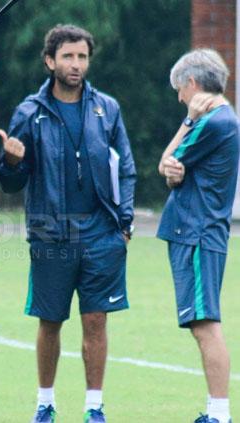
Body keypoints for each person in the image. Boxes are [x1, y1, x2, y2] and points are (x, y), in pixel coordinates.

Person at [0, 24, 136, 423]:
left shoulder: (106, 109)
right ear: (49, 61)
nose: (76, 65)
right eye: (68, 57)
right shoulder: (29, 112)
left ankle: (94, 406)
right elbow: (11, 182)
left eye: (82, 57)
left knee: (95, 320)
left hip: (101, 234)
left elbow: (125, 168)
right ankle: (45, 403)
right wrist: (11, 161)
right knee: (51, 320)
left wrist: (123, 224)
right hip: (51, 232)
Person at [157, 49, 239, 423]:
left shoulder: (214, 121)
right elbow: (172, 169)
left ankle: (219, 415)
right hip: (196, 233)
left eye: (179, 89)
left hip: (198, 234)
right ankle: (216, 413)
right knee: (201, 323)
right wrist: (176, 170)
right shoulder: (222, 119)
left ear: (191, 83)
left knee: (206, 323)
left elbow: (167, 160)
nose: (179, 98)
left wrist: (188, 122)